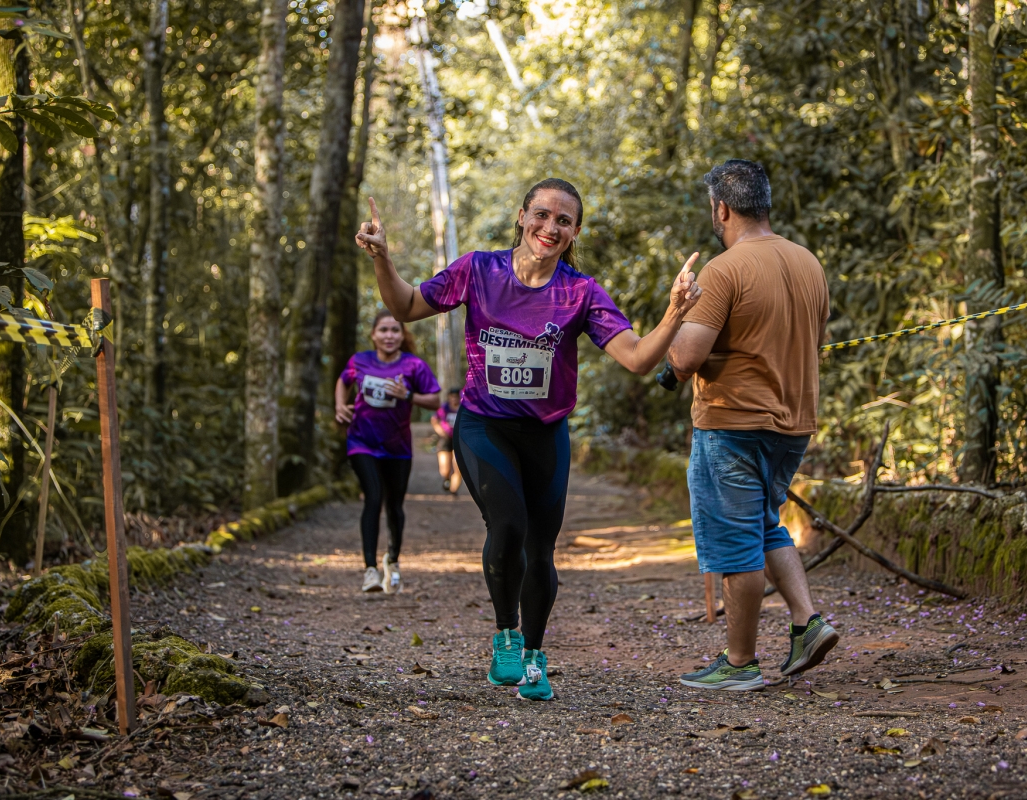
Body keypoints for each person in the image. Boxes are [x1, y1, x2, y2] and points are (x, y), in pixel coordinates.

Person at [355, 179, 701, 701]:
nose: (550, 227)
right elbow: (404, 306)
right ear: (522, 217)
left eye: (563, 221)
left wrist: (675, 310)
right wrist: (383, 257)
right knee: (508, 524)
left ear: (575, 232)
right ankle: (506, 637)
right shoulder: (478, 270)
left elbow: (636, 358)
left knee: (541, 549)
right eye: (541, 214)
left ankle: (535, 656)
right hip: (484, 425)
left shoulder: (581, 292)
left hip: (545, 433)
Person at [666, 159, 837, 690]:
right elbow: (816, 339)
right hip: (793, 422)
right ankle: (807, 623)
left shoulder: (724, 270)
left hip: (733, 423)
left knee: (735, 541)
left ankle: (739, 663)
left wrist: (675, 328)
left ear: (721, 208)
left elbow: (686, 357)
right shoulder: (808, 262)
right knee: (764, 525)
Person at [335, 310, 441, 594]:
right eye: (383, 330)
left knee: (394, 505)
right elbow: (343, 380)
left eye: (395, 330)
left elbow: (434, 400)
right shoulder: (360, 361)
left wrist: (407, 395)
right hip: (361, 442)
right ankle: (370, 570)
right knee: (373, 497)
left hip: (397, 448)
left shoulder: (414, 365)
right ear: (373, 335)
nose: (389, 335)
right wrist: (340, 405)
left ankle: (392, 561)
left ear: (402, 335)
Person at [431, 388, 463, 494]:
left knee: (458, 467)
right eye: (452, 397)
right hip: (445, 439)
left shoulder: (464, 408)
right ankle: (446, 478)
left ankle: (454, 489)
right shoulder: (444, 408)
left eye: (456, 397)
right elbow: (434, 420)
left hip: (459, 440)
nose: (454, 399)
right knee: (445, 468)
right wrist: (440, 431)